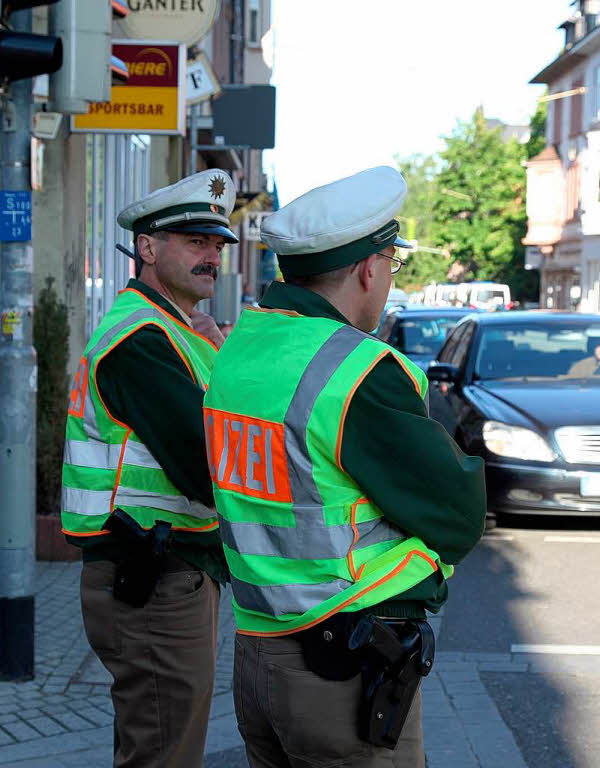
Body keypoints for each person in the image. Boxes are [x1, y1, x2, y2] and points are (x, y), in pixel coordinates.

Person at [202, 166, 486, 767]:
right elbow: (458, 514)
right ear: (369, 268)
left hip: (257, 652)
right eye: (394, 266)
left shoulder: (240, 348)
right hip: (342, 669)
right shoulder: (357, 369)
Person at [61, 169, 237, 768]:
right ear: (147, 247)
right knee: (165, 752)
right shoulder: (141, 338)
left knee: (158, 742)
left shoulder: (179, 331)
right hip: (153, 576)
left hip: (168, 571)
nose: (211, 255)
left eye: (216, 244)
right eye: (195, 241)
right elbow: (210, 463)